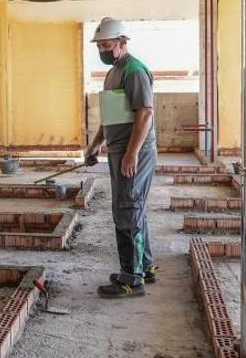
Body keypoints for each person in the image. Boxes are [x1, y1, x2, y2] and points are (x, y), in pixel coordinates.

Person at [84, 17, 159, 299]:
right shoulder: (113, 72)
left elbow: (145, 113)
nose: (103, 50)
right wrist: (95, 145)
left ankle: (131, 279)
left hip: (133, 152)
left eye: (107, 45)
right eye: (100, 45)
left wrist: (132, 153)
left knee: (128, 210)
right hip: (118, 150)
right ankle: (146, 266)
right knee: (132, 207)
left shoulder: (134, 70)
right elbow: (111, 115)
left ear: (122, 43)